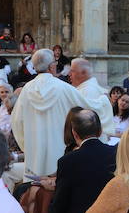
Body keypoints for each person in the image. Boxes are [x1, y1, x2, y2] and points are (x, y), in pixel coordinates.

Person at [10, 48, 84, 179]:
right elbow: (87, 108)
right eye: (55, 63)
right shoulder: (64, 88)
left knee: (34, 190)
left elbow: (16, 121)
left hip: (34, 154)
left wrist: (27, 145)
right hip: (59, 150)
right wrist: (103, 101)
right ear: (51, 67)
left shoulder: (26, 90)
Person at [69, 57, 113, 132]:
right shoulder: (84, 88)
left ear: (84, 73)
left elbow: (86, 121)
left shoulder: (89, 90)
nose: (69, 74)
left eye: (72, 71)